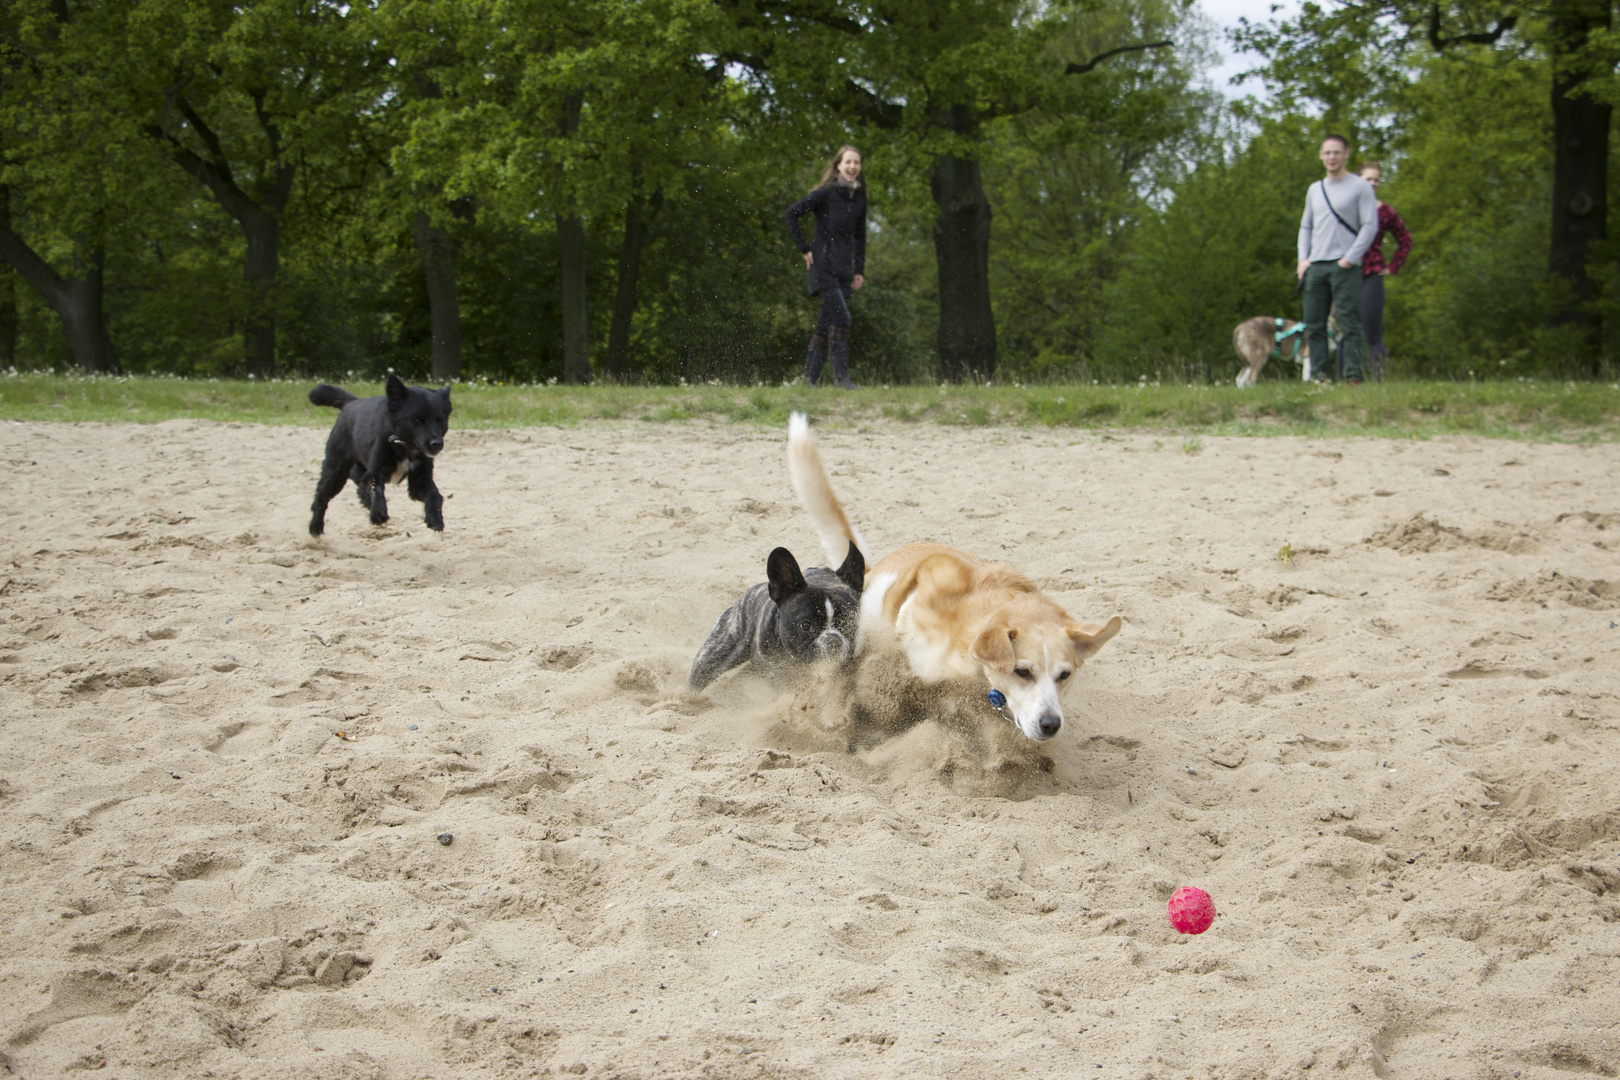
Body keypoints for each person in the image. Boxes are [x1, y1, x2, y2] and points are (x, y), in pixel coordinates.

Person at [1297, 135, 1378, 384]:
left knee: (1349, 321)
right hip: (1316, 265)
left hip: (1344, 265)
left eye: (1336, 152)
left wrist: (1349, 259)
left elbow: (1369, 225)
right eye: (1327, 152)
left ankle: (1353, 376)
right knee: (1314, 324)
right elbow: (1306, 226)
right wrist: (1303, 259)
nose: (1332, 157)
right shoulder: (1315, 189)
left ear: (1346, 154)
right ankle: (1318, 377)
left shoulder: (1359, 186)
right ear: (1321, 155)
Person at [784, 145, 866, 389]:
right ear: (838, 165)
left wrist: (859, 270)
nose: (852, 167)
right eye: (848, 162)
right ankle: (841, 379)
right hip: (822, 267)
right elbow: (791, 214)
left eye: (856, 163)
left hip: (843, 270)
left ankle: (809, 381)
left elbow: (860, 236)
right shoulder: (825, 193)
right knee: (842, 318)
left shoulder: (860, 198)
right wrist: (804, 249)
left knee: (825, 324)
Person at [1344, 160, 1412, 381]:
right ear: (1358, 181)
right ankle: (1343, 380)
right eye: (1367, 179)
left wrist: (1393, 267)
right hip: (1346, 273)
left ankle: (1377, 381)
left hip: (1372, 273)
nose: (1372, 183)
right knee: (1345, 331)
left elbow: (1405, 240)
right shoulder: (1346, 208)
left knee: (1372, 332)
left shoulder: (1385, 212)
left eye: (1376, 179)